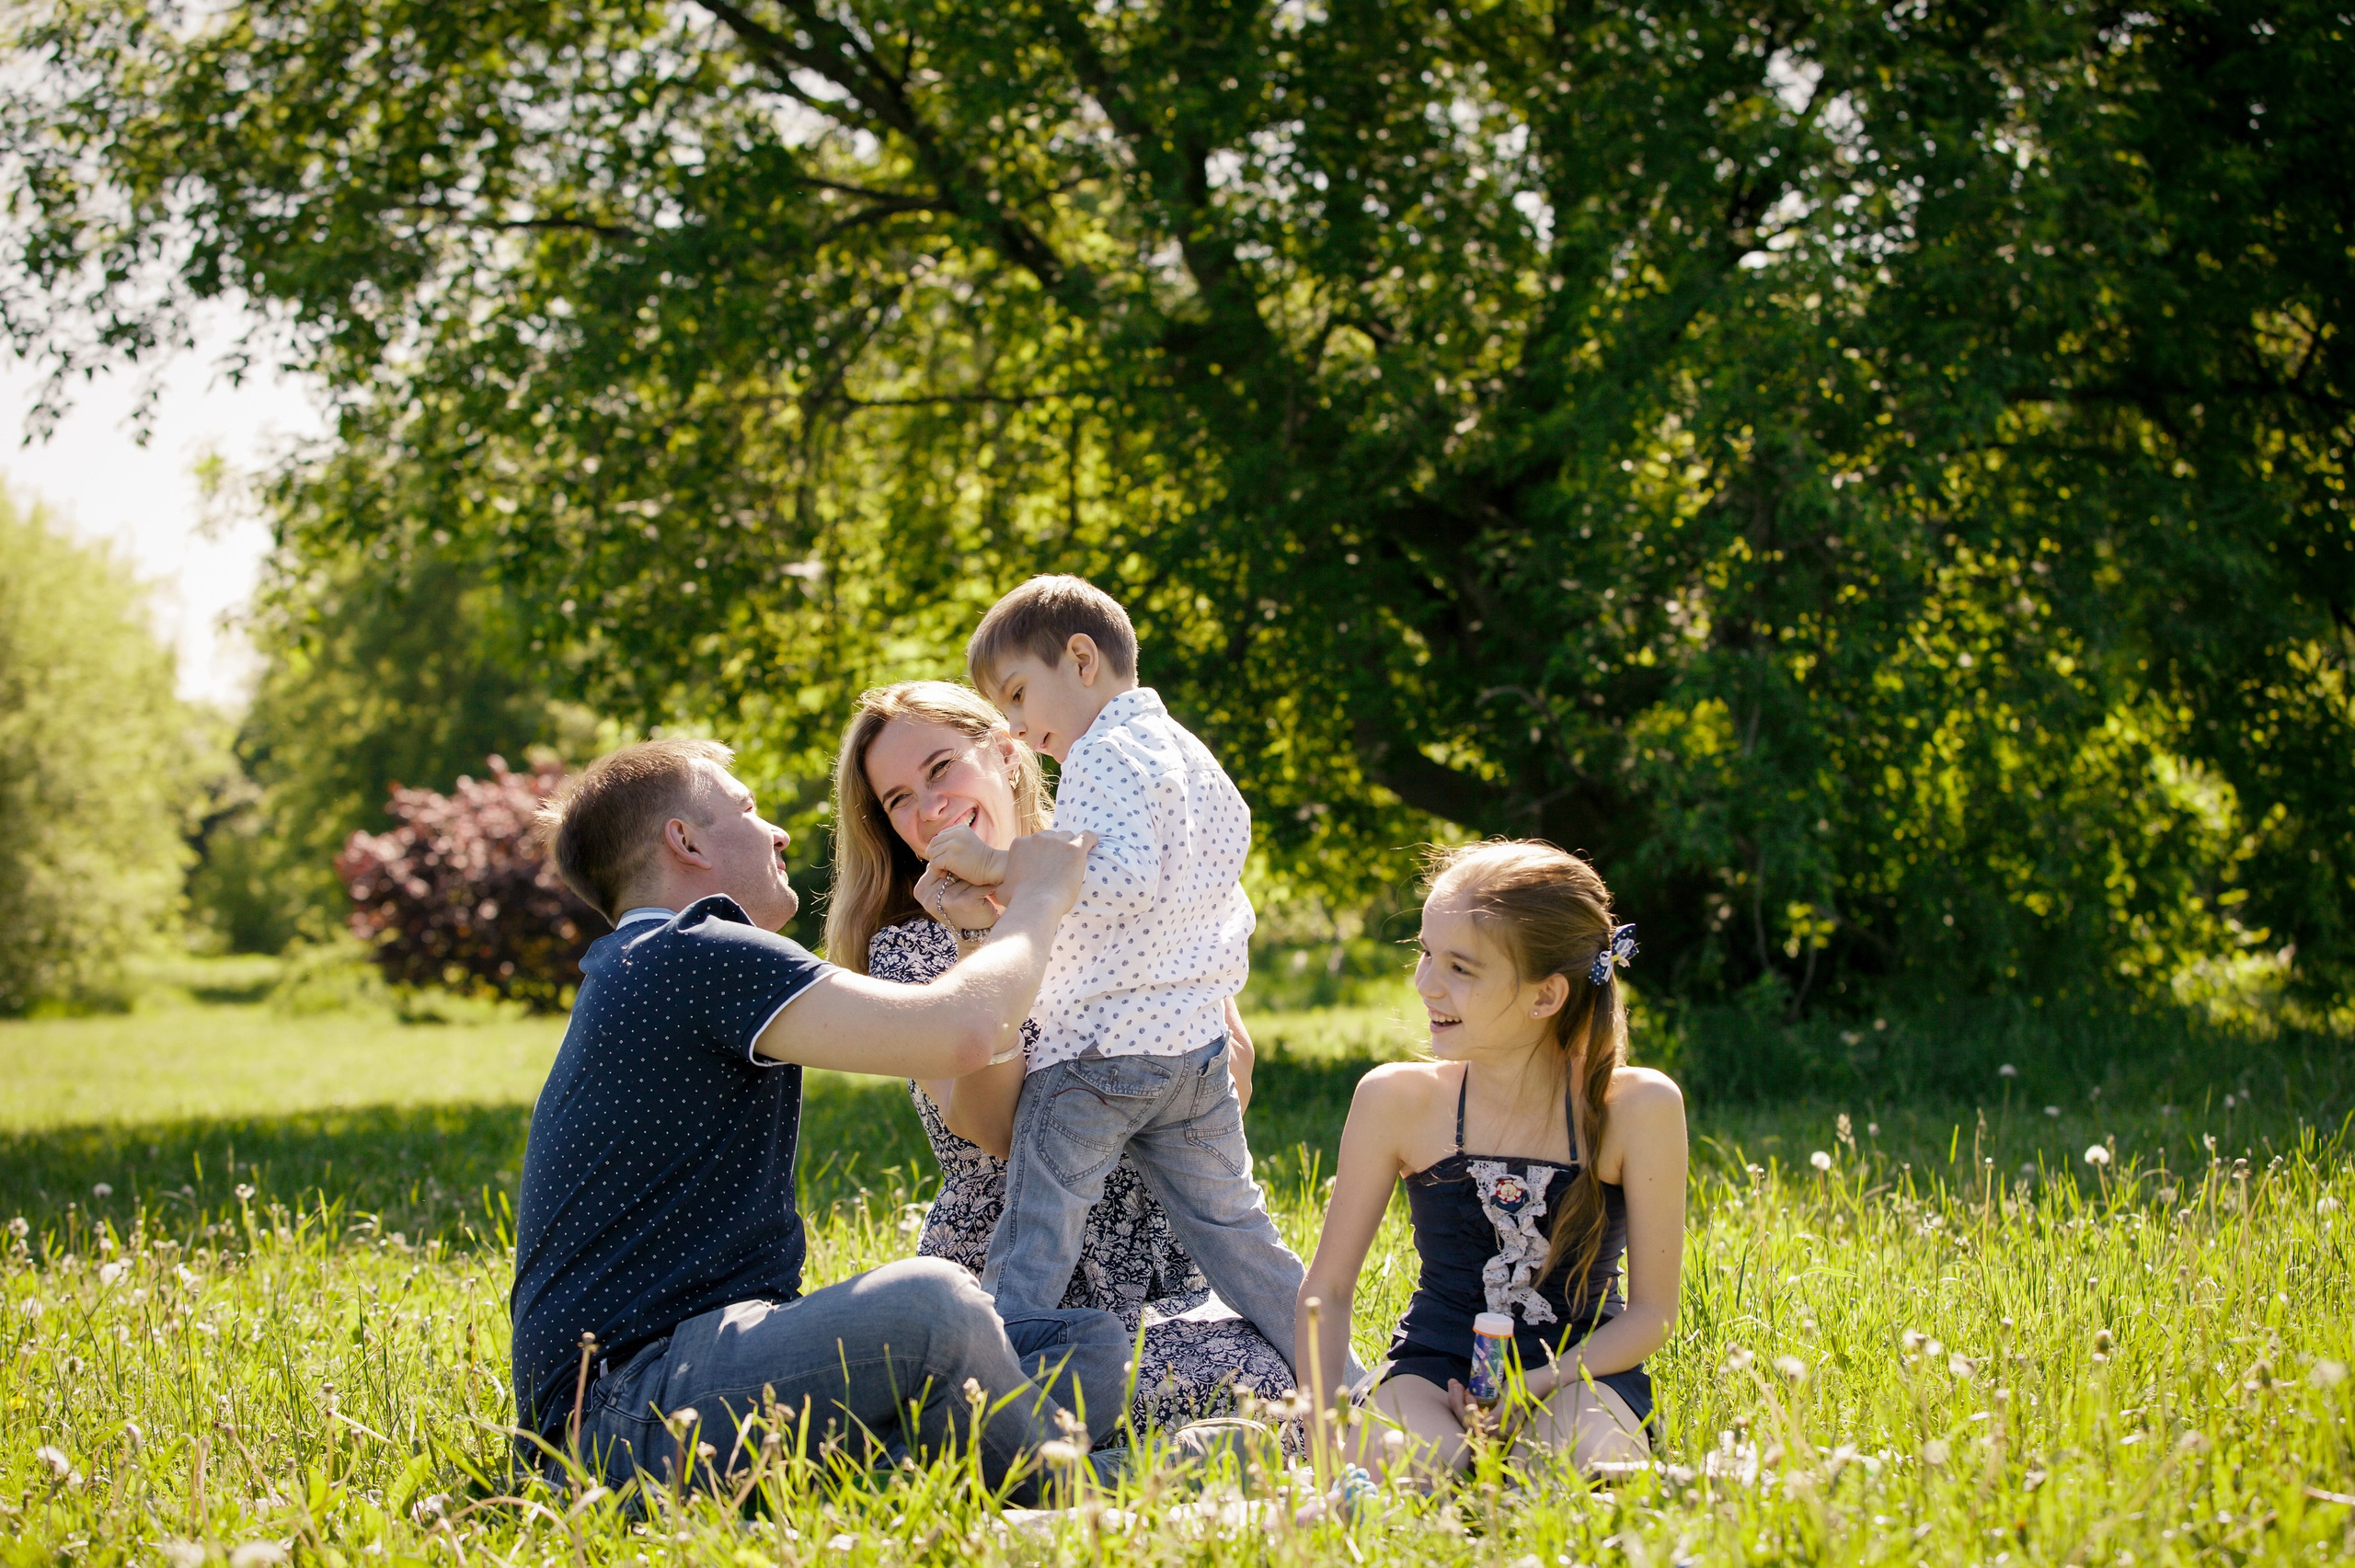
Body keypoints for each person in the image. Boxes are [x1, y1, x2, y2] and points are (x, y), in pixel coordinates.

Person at [511, 736, 1126, 1499]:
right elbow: (965, 1032)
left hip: (698, 1379)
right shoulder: (687, 947)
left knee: (1083, 1341)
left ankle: (905, 1488)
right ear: (686, 840)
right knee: (936, 1304)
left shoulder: (659, 960)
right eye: (745, 806)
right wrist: (1036, 897)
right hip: (616, 1413)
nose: (778, 831)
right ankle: (1091, 1498)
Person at [826, 680, 1297, 1435]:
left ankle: (1098, 1468)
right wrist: (980, 934)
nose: (929, 806)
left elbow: (1227, 1080)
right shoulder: (914, 947)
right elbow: (996, 1128)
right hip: (1023, 1287)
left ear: (1007, 752)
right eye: (899, 799)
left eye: (943, 766)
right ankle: (1066, 1464)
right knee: (1263, 1397)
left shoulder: (1120, 889)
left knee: (1288, 1377)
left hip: (1165, 1272)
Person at [922, 575, 1350, 1388]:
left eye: (1018, 694)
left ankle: (983, 1394)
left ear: (1081, 659)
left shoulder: (1100, 755)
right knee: (1239, 1232)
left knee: (1035, 1237)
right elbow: (1227, 869)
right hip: (1193, 1052)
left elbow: (1115, 878)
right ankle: (1346, 1384)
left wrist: (1003, 866)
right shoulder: (1188, 752)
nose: (1015, 726)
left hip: (1100, 1052)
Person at [1294, 841, 1688, 1482]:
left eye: (1460, 967)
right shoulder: (1397, 1098)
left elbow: (1652, 1314)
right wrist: (1323, 1434)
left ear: (1545, 996)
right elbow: (1328, 1290)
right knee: (1423, 1474)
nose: (1425, 983)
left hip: (1578, 1370)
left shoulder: (1637, 1105)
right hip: (1431, 1371)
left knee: (1577, 1476)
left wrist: (1536, 1383)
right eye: (1424, 953)